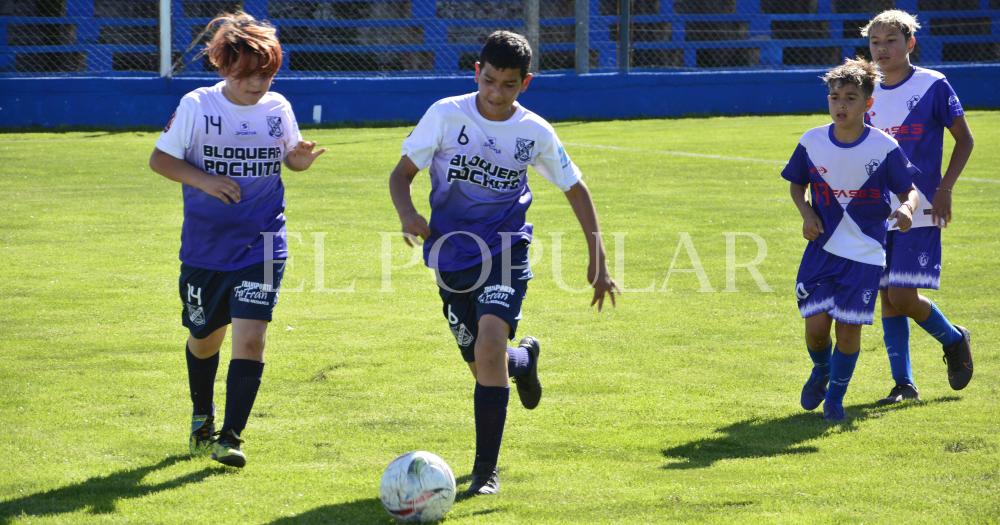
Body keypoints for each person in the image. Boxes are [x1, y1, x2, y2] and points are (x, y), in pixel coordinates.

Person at [388, 30, 618, 495]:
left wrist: (599, 258)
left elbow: (575, 188)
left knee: (488, 346)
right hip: (451, 258)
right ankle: (524, 360)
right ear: (477, 72)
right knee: (483, 364)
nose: (495, 94)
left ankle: (485, 471)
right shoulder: (446, 115)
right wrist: (408, 213)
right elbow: (401, 175)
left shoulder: (533, 132)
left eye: (507, 85)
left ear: (525, 83)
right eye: (489, 80)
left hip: (505, 250)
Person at [149, 11, 325, 468]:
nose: (257, 84)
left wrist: (301, 160)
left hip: (263, 242)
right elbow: (161, 161)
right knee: (205, 337)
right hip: (205, 248)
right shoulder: (197, 105)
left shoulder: (278, 108)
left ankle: (230, 436)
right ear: (224, 66)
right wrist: (205, 181)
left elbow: (291, 159)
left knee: (250, 340)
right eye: (247, 74)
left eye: (266, 74)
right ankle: (201, 415)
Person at [781, 58, 919, 422]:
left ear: (867, 104)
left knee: (848, 330)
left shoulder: (883, 146)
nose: (841, 105)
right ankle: (821, 370)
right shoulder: (811, 141)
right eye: (835, 97)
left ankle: (836, 399)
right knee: (815, 330)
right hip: (821, 250)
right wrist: (807, 214)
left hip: (865, 254)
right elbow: (797, 184)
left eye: (850, 98)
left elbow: (910, 190)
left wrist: (906, 209)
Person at [861, 10, 975, 405]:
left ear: (910, 43)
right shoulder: (864, 90)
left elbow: (965, 140)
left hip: (921, 205)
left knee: (903, 295)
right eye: (875, 42)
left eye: (891, 40)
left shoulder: (933, 85)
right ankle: (903, 385)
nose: (882, 49)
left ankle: (954, 338)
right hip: (875, 209)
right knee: (887, 298)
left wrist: (945, 188)